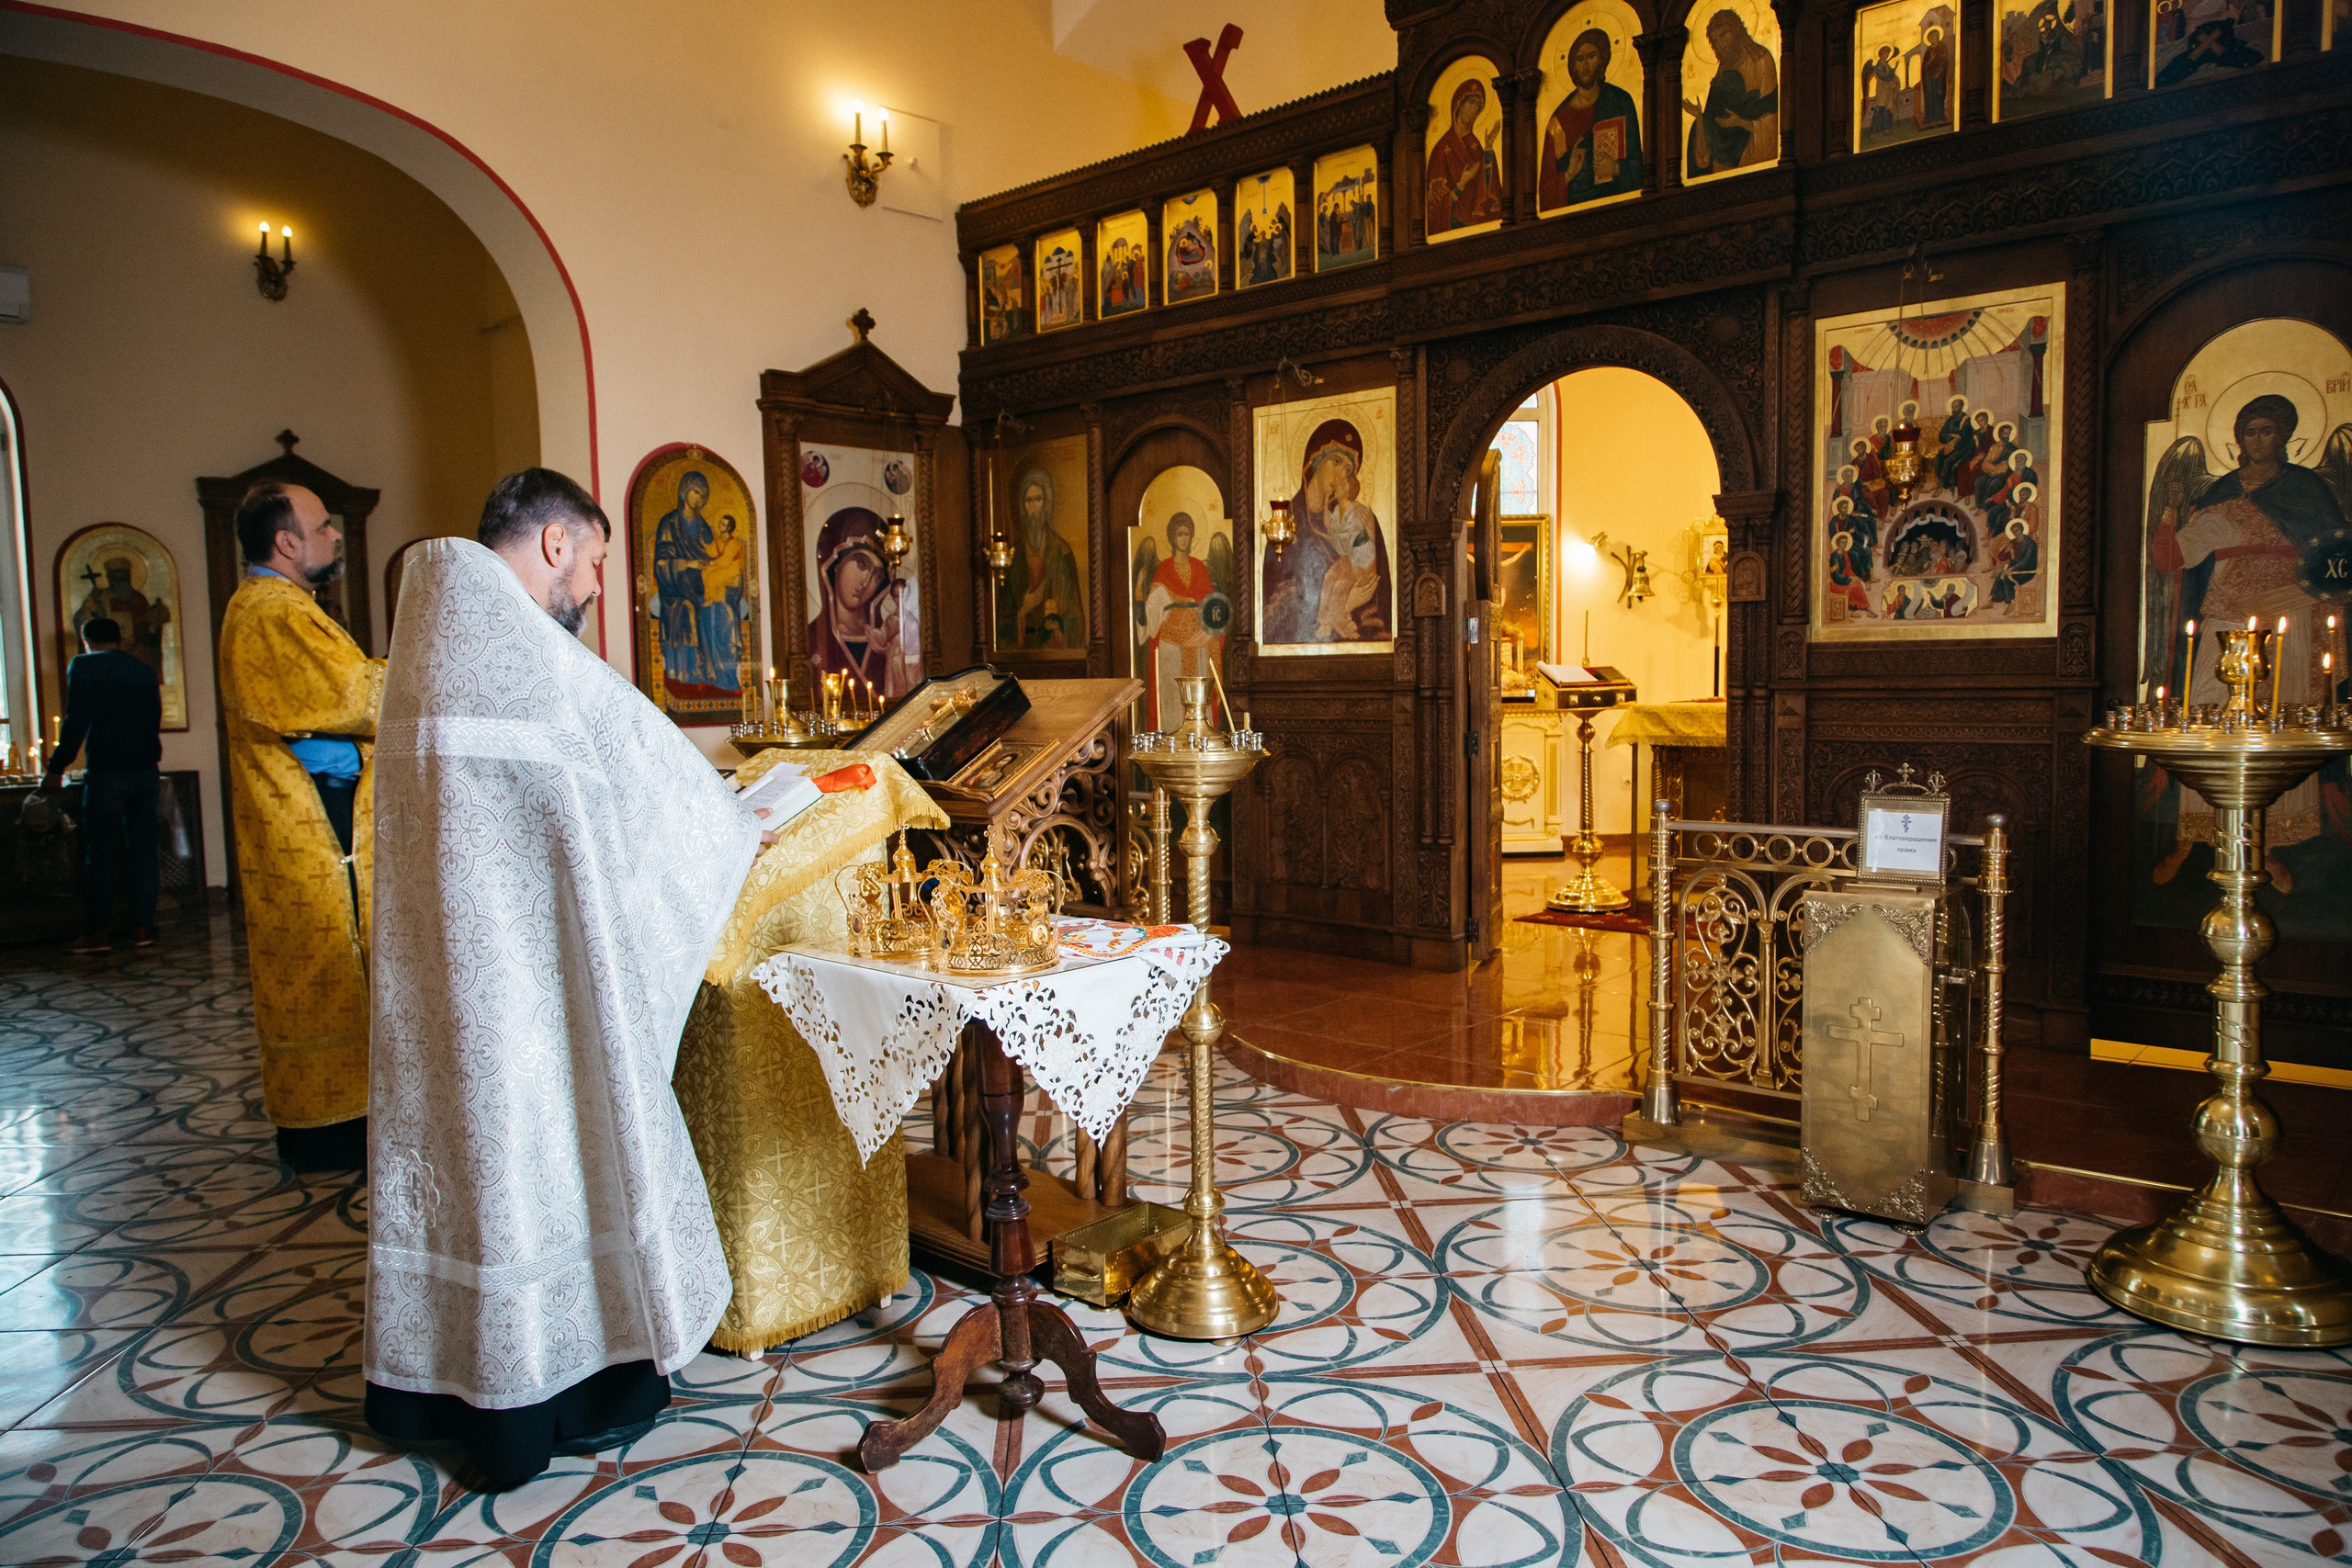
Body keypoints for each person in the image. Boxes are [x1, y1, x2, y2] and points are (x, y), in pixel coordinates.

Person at [364, 468, 759, 1490]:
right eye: (590, 559)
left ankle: (439, 1383)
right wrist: (733, 822)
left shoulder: (432, 631)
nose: (590, 584)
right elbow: (658, 793)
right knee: (546, 1161)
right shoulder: (527, 654)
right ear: (552, 545)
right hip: (533, 992)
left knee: (462, 1166)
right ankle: (574, 1388)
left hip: (445, 986)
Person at [217, 482, 383, 1172]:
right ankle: (329, 1131)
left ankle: (347, 1123)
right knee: (326, 965)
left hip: (321, 818)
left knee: (338, 967)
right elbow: (356, 695)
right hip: (314, 830)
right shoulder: (269, 611)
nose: (335, 536)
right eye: (322, 526)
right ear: (286, 542)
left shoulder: (283, 606)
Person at [42, 615, 163, 954]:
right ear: (120, 639)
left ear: (87, 641)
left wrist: (56, 768)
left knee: (101, 853)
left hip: (108, 772)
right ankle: (142, 928)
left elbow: (75, 720)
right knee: (143, 852)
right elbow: (153, 717)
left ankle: (98, 933)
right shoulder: (142, 670)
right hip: (146, 770)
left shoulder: (84, 666)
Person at [1541, 28, 1645, 209]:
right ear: (1573, 66)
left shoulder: (1620, 102)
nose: (1585, 66)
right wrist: (1569, 174)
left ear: (1602, 60)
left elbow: (1641, 166)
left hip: (1619, 208)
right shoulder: (1558, 122)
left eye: (1591, 56)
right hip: (1574, 215)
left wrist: (1616, 168)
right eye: (1579, 59)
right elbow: (1545, 189)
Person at [807, 506, 903, 694]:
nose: (866, 582)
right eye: (861, 564)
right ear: (835, 565)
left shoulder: (887, 640)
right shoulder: (810, 640)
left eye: (877, 575)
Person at [1682, 8, 1780, 177]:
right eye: (1715, 40)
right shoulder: (1722, 73)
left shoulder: (1760, 60)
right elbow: (1712, 124)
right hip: (1724, 165)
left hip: (1756, 159)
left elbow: (1771, 117)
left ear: (1737, 31)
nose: (1721, 43)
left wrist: (1741, 122)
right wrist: (1700, 118)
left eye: (1724, 34)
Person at [1000, 468, 1086, 649]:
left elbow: (1075, 614)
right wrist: (1023, 610)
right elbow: (1001, 622)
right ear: (1022, 506)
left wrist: (1056, 622)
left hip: (1053, 649)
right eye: (1028, 500)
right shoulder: (1013, 556)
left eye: (1038, 500)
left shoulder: (1062, 552)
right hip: (1021, 653)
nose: (1033, 508)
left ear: (1047, 503)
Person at [652, 470, 713, 688]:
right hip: (675, 588)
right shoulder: (669, 523)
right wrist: (687, 564)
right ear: (684, 492)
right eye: (694, 492)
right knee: (687, 608)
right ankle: (685, 673)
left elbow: (712, 552)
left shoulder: (703, 527)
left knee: (717, 609)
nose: (697, 498)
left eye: (702, 495)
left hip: (700, 585)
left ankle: (715, 672)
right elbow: (660, 564)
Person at [1426, 76, 1504, 232]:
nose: (1473, 109)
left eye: (1477, 106)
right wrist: (1461, 183)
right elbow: (1434, 206)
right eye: (1471, 103)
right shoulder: (1442, 149)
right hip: (1455, 223)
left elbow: (1486, 190)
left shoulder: (1474, 144)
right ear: (1458, 106)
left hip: (1477, 222)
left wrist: (1488, 150)